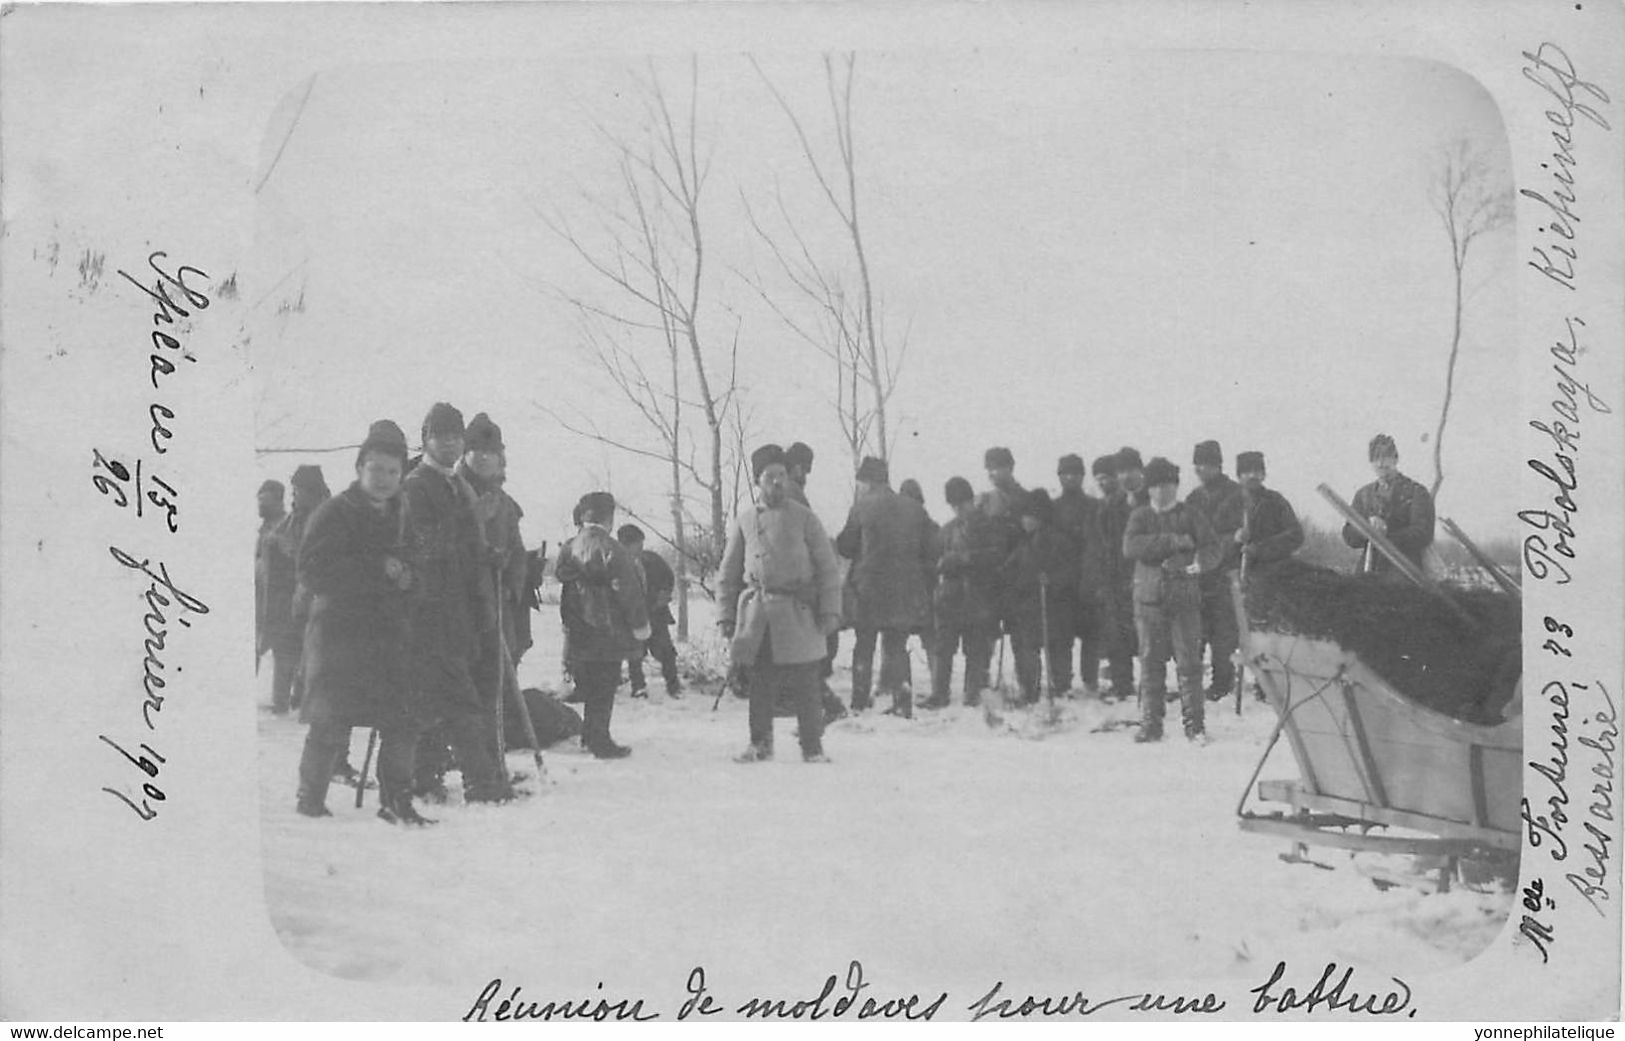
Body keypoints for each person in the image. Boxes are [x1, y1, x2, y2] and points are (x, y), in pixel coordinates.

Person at [294, 420, 427, 824]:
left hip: (388, 635)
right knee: (331, 720)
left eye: (392, 471)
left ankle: (396, 800)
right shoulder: (333, 513)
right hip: (340, 635)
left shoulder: (404, 513)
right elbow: (312, 570)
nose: (384, 479)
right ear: (359, 469)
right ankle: (310, 799)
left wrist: (409, 577)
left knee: (403, 719)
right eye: (376, 469)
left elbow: (418, 561)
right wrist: (375, 568)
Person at [402, 402, 516, 804]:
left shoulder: (459, 485)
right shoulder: (416, 485)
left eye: (455, 436)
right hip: (431, 609)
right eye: (441, 436)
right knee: (461, 697)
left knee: (442, 697)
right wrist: (469, 521)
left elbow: (467, 548)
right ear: (425, 439)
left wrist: (489, 556)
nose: (449, 443)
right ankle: (482, 783)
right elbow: (421, 545)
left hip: (465, 609)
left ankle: (424, 777)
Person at [718, 444, 843, 763]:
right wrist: (726, 616)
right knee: (761, 683)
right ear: (758, 481)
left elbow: (828, 568)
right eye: (769, 476)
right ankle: (760, 744)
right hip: (758, 613)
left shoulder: (805, 518)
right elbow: (728, 573)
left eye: (782, 476)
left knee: (806, 683)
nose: (777, 482)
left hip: (798, 611)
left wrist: (830, 610)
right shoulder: (746, 520)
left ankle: (812, 748)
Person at [1123, 457, 1221, 743]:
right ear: (1148, 489)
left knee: (1189, 664)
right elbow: (1131, 547)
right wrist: (1173, 542)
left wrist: (1200, 564)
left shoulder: (1191, 514)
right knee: (1150, 663)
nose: (1162, 492)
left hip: (1184, 599)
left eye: (1168, 485)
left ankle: (1195, 725)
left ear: (1176, 487)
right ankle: (1151, 725)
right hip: (1149, 600)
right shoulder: (1140, 517)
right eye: (1155, 486)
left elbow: (1212, 547)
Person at [457, 413, 531, 782]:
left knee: (497, 684)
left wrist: (511, 583)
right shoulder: (455, 492)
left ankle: (492, 761)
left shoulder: (505, 503)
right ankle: (470, 765)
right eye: (475, 450)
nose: (483, 458)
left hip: (500, 608)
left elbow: (517, 552)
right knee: (465, 686)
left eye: (490, 451)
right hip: (463, 609)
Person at [836, 456, 935, 717]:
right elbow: (931, 549)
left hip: (868, 590)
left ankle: (859, 702)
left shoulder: (862, 507)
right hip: (904, 590)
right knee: (897, 646)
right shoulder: (913, 508)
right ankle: (903, 702)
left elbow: (846, 546)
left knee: (864, 645)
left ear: (867, 481)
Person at [556, 490, 650, 758]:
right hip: (608, 628)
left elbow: (562, 578)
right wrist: (639, 624)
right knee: (605, 686)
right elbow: (628, 590)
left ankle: (589, 735)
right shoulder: (613, 548)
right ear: (608, 517)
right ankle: (599, 739)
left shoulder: (569, 546)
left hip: (579, 627)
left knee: (588, 684)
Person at [926, 477, 1002, 709]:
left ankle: (972, 695)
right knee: (943, 648)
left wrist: (964, 559)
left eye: (962, 503)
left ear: (971, 501)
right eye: (954, 505)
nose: (959, 509)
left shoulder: (989, 526)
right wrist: (942, 564)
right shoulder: (947, 529)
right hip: (950, 598)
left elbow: (998, 555)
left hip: (979, 597)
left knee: (976, 649)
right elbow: (933, 559)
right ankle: (939, 694)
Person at [1185, 440, 1244, 702]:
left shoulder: (1237, 495)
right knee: (1197, 630)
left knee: (1224, 632)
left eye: (1207, 464)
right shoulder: (1193, 498)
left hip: (1226, 573)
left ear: (1218, 465)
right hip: (1199, 574)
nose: (1201, 469)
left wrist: (1225, 544)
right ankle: (1193, 682)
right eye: (1198, 464)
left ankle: (1222, 682)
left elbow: (1241, 534)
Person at [1009, 489, 1078, 705]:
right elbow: (1012, 568)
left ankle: (1060, 690)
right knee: (1029, 649)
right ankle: (1031, 690)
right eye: (1023, 516)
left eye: (1030, 516)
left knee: (1056, 649)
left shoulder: (1057, 541)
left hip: (1053, 605)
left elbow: (1071, 571)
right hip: (1030, 606)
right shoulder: (1024, 542)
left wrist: (1052, 580)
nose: (1025, 521)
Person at [1341, 433, 1436, 575]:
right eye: (1376, 459)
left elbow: (1423, 533)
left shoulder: (1416, 492)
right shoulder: (1363, 495)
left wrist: (1386, 533)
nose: (1381, 464)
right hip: (1368, 571)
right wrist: (1366, 528)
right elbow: (1349, 536)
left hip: (1405, 572)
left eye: (1386, 457)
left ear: (1396, 459)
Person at [1052, 453, 1106, 696]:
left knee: (1091, 635)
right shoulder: (1052, 510)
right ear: (1060, 477)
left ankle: (1090, 681)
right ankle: (1061, 683)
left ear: (1082, 476)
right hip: (1062, 583)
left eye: (1075, 473)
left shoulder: (1094, 507)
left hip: (1088, 579)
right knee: (1061, 637)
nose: (1070, 478)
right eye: (1065, 473)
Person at [974, 446, 1028, 686]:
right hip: (990, 579)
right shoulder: (983, 502)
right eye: (989, 469)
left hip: (1017, 578)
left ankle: (1028, 687)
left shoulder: (1025, 498)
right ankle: (980, 687)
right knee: (985, 636)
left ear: (1010, 468)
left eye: (997, 468)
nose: (993, 473)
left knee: (1022, 637)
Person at [618, 524, 682, 699]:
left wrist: (665, 593)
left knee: (667, 652)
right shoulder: (618, 564)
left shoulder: (652, 559)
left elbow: (668, 577)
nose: (640, 547)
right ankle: (638, 687)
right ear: (624, 545)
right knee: (635, 655)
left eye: (641, 543)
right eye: (635, 544)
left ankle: (673, 685)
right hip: (633, 617)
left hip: (656, 615)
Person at [1094, 451, 1138, 701]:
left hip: (1129, 575)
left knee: (1136, 632)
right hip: (1110, 578)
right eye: (1098, 478)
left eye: (1108, 477)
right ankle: (1122, 684)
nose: (1104, 482)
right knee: (1115, 635)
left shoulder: (1129, 504)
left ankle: (1144, 685)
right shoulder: (1103, 506)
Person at [255, 480, 295, 712]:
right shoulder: (264, 526)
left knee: (283, 652)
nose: (260, 506)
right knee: (253, 647)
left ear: (277, 500)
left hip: (280, 600)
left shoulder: (286, 524)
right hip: (260, 598)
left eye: (264, 501)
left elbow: (293, 553)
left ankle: (281, 702)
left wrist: (279, 542)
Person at [1234, 451, 1304, 572]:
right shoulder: (1229, 505)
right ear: (1239, 476)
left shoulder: (1276, 501)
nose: (1252, 476)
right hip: (1235, 571)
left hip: (1276, 569)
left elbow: (1296, 535)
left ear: (1263, 475)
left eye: (1257, 471)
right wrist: (1234, 539)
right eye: (1246, 472)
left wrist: (1260, 549)